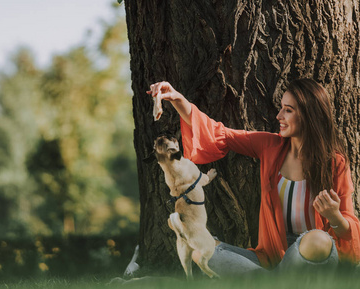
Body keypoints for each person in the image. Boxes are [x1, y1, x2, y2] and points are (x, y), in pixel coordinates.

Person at [147, 79, 360, 274]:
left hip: (314, 258)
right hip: (271, 258)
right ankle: (278, 286)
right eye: (281, 109)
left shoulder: (335, 163)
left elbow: (349, 230)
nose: (279, 116)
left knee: (318, 239)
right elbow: (220, 133)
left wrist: (333, 216)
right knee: (202, 251)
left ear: (309, 115)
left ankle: (266, 285)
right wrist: (177, 98)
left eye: (288, 110)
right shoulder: (270, 146)